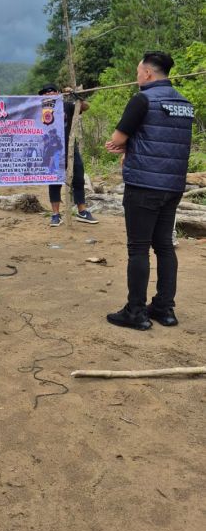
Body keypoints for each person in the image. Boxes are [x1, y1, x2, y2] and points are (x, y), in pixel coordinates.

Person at [105, 52, 194, 330]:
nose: (136, 77)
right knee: (164, 246)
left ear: (147, 74)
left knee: (139, 248)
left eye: (137, 72)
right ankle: (165, 309)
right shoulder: (184, 103)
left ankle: (136, 312)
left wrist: (123, 145)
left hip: (143, 186)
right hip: (173, 186)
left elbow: (117, 139)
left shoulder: (142, 99)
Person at [38, 83, 98, 227]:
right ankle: (56, 215)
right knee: (54, 181)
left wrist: (75, 95)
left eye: (52, 91)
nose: (49, 94)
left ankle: (82, 211)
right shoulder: (37, 109)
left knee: (78, 178)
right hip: (51, 152)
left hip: (71, 148)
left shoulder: (67, 106)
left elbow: (85, 107)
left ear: (58, 93)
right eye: (45, 92)